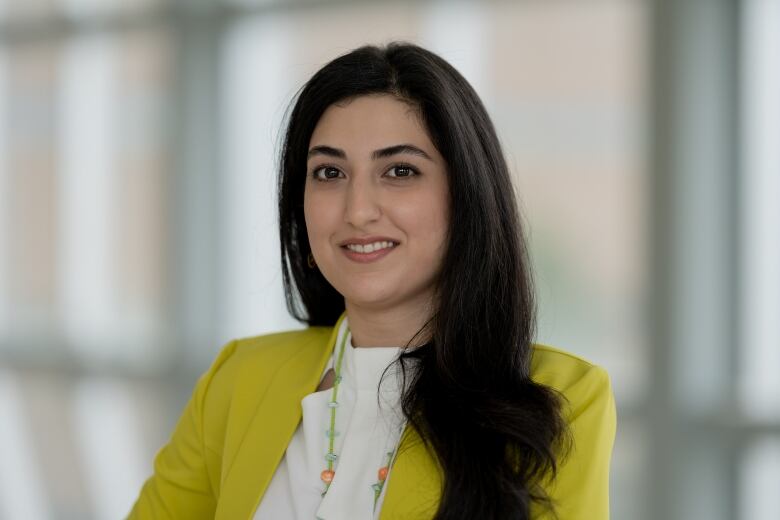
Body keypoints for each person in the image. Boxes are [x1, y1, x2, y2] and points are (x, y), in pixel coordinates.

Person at [129, 42, 616, 520]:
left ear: (467, 197)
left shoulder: (566, 399)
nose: (358, 210)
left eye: (400, 171)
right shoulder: (239, 379)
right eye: (329, 172)